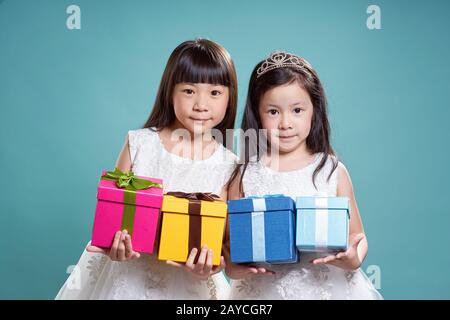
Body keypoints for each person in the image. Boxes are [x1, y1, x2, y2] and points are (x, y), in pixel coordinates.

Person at [56, 39, 238, 299]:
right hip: (127, 280)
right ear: (169, 91)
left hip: (187, 289)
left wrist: (207, 268)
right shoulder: (140, 143)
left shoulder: (229, 164)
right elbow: (114, 213)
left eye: (215, 93)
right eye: (189, 91)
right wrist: (114, 245)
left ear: (230, 97)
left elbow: (218, 245)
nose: (201, 104)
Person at [225, 51, 382, 299]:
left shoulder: (331, 170)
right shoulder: (244, 175)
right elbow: (231, 248)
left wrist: (352, 259)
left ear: (314, 110)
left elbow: (358, 237)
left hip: (328, 288)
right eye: (273, 112)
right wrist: (233, 268)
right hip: (264, 293)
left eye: (297, 110)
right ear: (257, 112)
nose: (285, 123)